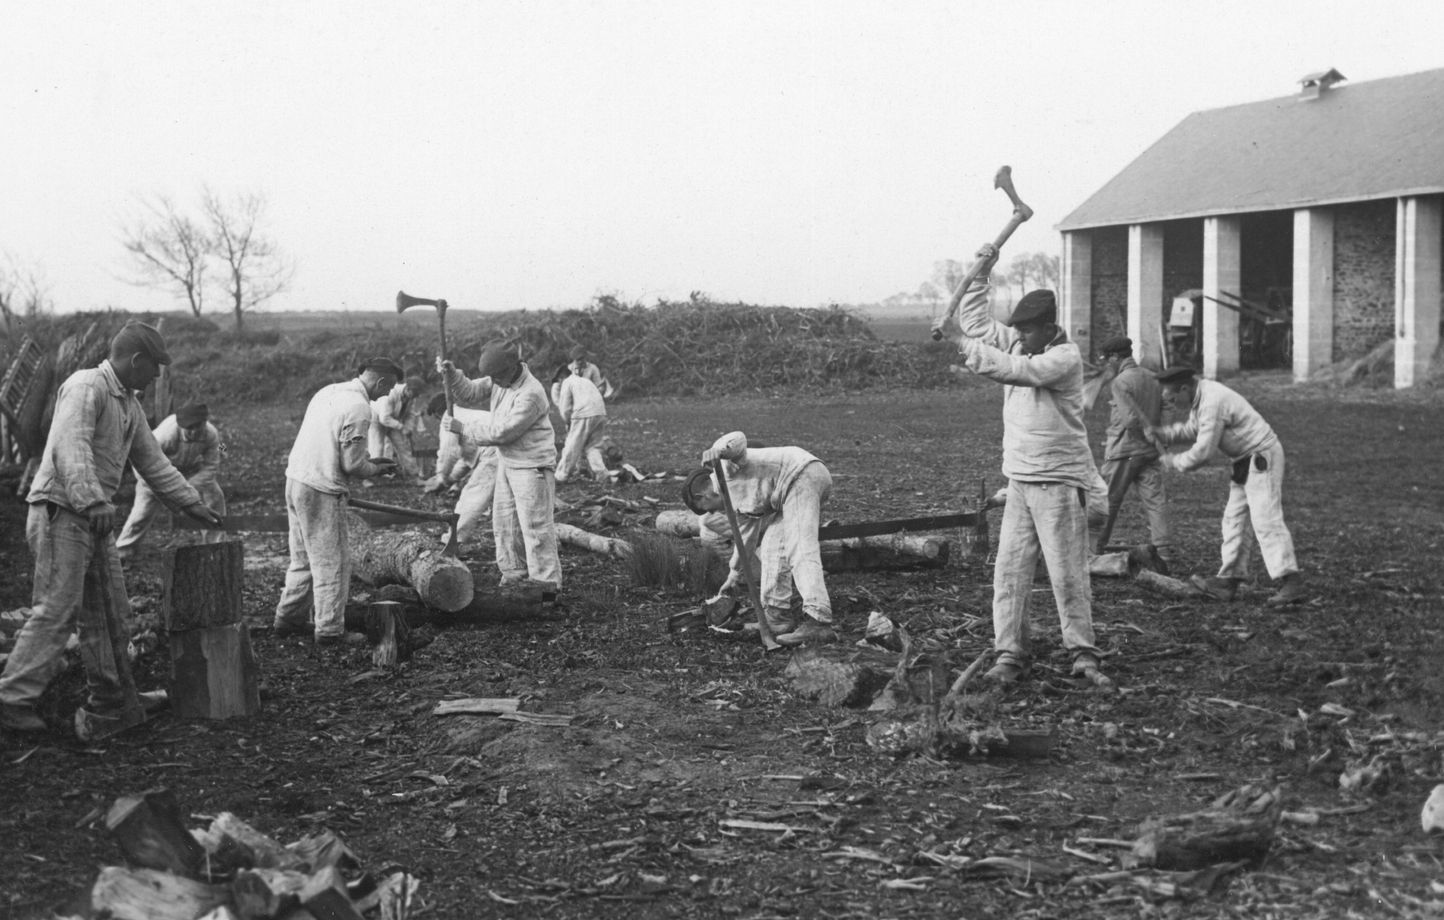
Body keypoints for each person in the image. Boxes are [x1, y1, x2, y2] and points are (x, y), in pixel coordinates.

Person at [0, 322, 223, 738]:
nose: (156, 377)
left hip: (92, 517)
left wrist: (194, 506)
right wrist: (92, 499)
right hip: (60, 512)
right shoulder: (86, 387)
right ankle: (12, 700)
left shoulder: (128, 404)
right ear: (136, 361)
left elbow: (153, 464)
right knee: (57, 609)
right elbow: (72, 446)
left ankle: (111, 699)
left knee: (110, 612)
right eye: (153, 368)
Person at [934, 244, 1105, 685]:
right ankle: (1010, 653)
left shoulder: (1063, 358)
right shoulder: (1021, 343)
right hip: (1021, 481)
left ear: (1048, 329)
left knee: (1067, 572)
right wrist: (981, 274)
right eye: (1019, 331)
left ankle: (1083, 652)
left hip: (1060, 481)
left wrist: (958, 343)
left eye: (1027, 331)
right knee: (1009, 573)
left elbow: (1015, 371)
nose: (1020, 337)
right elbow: (975, 324)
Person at [1148, 366, 1306, 605]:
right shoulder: (1199, 398)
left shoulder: (1213, 401)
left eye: (1172, 398)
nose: (1171, 404)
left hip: (1262, 456)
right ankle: (1228, 581)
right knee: (1234, 520)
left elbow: (1203, 452)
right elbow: (1194, 429)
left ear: (1183, 388)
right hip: (1243, 461)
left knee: (1266, 519)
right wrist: (1165, 434)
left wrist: (1174, 461)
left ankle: (1291, 582)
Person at [273, 358, 403, 643]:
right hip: (321, 488)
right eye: (388, 389)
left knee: (303, 558)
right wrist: (375, 468)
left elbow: (333, 443)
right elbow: (351, 465)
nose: (385, 396)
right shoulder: (360, 408)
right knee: (333, 562)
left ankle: (289, 619)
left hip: (296, 479)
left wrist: (367, 461)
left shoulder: (329, 391)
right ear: (381, 382)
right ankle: (330, 631)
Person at [685, 431, 835, 646]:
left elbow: (738, 439)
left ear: (702, 496)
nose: (712, 513)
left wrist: (718, 449)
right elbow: (745, 539)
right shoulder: (736, 504)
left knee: (799, 547)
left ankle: (819, 621)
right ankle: (777, 617)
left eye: (705, 509)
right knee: (771, 548)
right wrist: (734, 575)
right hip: (784, 497)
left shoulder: (726, 468)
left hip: (802, 473)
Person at [439, 341, 561, 593]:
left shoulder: (531, 393)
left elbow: (503, 432)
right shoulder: (500, 379)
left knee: (536, 528)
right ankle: (515, 573)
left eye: (498, 376)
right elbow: (470, 392)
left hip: (532, 466)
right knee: (504, 522)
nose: (494, 381)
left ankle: (546, 586)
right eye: (491, 377)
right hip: (507, 462)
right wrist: (452, 375)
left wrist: (463, 428)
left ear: (513, 366)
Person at [1096, 336, 1174, 562]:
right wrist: (1161, 437)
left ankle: (1096, 547)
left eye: (1106, 360)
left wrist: (1143, 437)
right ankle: (1164, 550)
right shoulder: (1153, 377)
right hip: (1150, 452)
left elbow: (1130, 421)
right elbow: (1168, 406)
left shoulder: (1120, 382)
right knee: (1155, 499)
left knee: (1108, 500)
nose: (1106, 365)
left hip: (1124, 451)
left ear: (1115, 357)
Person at [116, 403, 226, 558]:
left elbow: (210, 467)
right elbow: (142, 460)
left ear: (205, 422)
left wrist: (187, 490)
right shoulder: (164, 434)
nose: (194, 432)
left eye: (198, 426)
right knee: (141, 514)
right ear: (180, 425)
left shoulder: (211, 434)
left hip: (190, 471)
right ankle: (122, 551)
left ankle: (216, 546)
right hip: (157, 474)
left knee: (215, 497)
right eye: (189, 428)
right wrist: (160, 488)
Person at [550, 365, 609, 483]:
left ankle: (561, 475)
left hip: (584, 413)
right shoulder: (585, 381)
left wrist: (568, 421)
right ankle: (601, 473)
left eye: (559, 380)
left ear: (562, 377)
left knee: (572, 445)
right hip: (601, 412)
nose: (559, 383)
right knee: (593, 446)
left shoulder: (567, 382)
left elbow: (565, 408)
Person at [367, 375, 426, 483]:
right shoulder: (392, 394)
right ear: (408, 389)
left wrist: (408, 428)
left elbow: (410, 414)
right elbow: (384, 418)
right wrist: (401, 427)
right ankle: (369, 478)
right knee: (377, 447)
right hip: (377, 418)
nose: (414, 398)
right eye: (414, 394)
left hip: (393, 419)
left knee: (403, 446)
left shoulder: (410, 396)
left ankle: (413, 475)